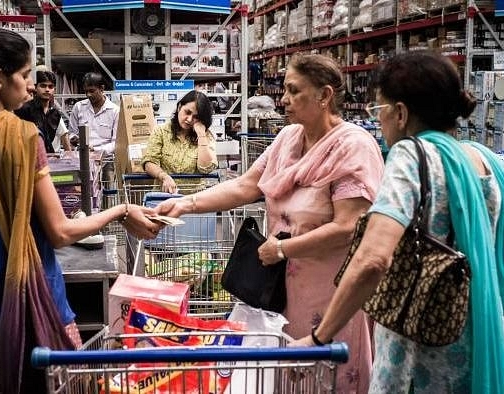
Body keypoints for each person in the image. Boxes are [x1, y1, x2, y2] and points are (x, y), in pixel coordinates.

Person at [0, 27, 162, 393]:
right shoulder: (19, 135)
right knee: (66, 382)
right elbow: (60, 231)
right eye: (26, 75)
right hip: (20, 301)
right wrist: (122, 211)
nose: (32, 86)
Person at [155, 53, 384, 392]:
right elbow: (247, 186)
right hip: (283, 291)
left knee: (328, 376)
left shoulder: (353, 147)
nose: (283, 99)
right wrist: (186, 203)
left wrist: (282, 248)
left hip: (333, 293)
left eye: (294, 90)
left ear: (324, 96)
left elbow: (350, 226)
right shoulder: (288, 138)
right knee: (288, 374)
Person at [289, 51, 504, 393]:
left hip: (421, 350)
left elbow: (373, 259)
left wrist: (320, 335)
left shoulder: (409, 157)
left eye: (379, 110)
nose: (380, 122)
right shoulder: (486, 161)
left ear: (401, 113)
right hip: (477, 338)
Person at [142, 90, 218, 194]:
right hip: (163, 197)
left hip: (193, 200)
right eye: (187, 112)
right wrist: (164, 177)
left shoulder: (206, 136)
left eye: (196, 117)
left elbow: (206, 168)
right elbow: (149, 162)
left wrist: (201, 134)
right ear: (179, 107)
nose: (190, 119)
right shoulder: (161, 131)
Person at [15, 69, 72, 155]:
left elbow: (64, 135)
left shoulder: (55, 113)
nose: (47, 89)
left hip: (52, 161)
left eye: (50, 86)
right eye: (43, 86)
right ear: (35, 87)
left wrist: (70, 158)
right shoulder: (24, 110)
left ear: (54, 90)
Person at [68, 72, 119, 156]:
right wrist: (74, 138)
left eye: (92, 91)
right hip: (82, 157)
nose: (88, 95)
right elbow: (72, 133)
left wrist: (95, 150)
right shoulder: (78, 107)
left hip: (106, 160)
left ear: (102, 89)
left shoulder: (115, 111)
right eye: (86, 91)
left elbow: (116, 143)